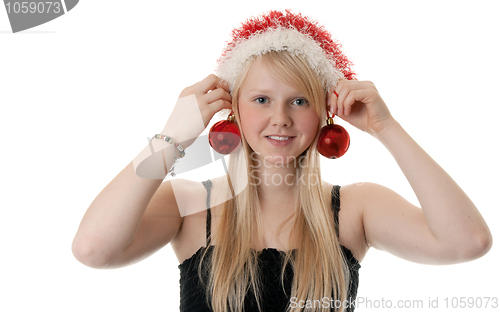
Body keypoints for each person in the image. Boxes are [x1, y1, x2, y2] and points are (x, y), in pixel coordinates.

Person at [71, 10, 492, 312]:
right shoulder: (188, 204)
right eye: (261, 100)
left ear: (324, 111)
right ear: (233, 109)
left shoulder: (356, 209)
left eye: (298, 100)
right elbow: (93, 249)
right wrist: (172, 137)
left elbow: (467, 242)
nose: (280, 118)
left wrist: (386, 127)